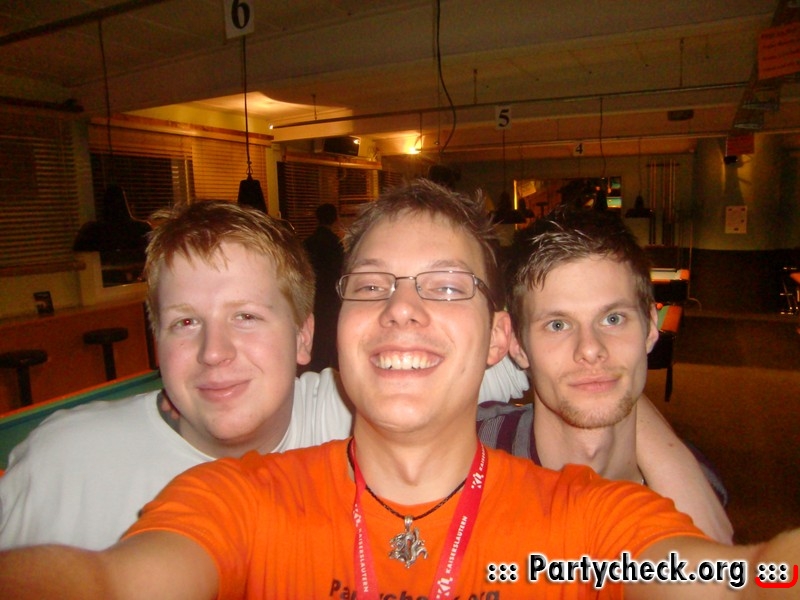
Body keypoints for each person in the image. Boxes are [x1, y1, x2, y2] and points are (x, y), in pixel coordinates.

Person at [2, 180, 797, 599]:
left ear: (498, 340)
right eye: (374, 284)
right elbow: (110, 583)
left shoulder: (583, 525)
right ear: (336, 329)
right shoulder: (236, 502)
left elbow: (741, 581)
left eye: (446, 287)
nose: (403, 309)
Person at [0, 200, 525, 551]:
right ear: (156, 340)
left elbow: (507, 360)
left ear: (303, 337)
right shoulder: (63, 462)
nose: (214, 353)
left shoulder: (357, 408)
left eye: (246, 317)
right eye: (185, 322)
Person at [478, 205, 733, 543]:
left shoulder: (696, 489)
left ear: (650, 328)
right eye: (557, 325)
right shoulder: (464, 451)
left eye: (613, 319)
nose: (590, 349)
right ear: (517, 345)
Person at [302, 202, 345, 370]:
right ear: (335, 218)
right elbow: (340, 270)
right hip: (331, 297)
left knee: (317, 336)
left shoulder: (308, 242)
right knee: (332, 336)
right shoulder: (335, 243)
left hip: (313, 296)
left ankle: (316, 368)